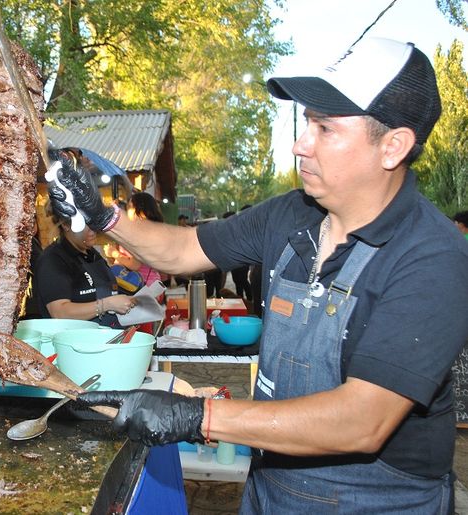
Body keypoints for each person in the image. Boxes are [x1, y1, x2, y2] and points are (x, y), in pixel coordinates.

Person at [49, 37, 468, 512]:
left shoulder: (433, 257)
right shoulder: (291, 214)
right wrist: (105, 218)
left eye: (325, 128)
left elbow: (361, 421)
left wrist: (197, 417)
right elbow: (184, 249)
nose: (299, 145)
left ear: (393, 146)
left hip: (376, 501)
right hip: (270, 487)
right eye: (307, 122)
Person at [34, 206, 135, 328]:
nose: (92, 229)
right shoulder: (53, 259)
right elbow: (60, 312)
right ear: (66, 225)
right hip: (75, 338)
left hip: (108, 333)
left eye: (93, 222)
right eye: (85, 223)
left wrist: (130, 301)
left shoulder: (92, 254)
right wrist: (105, 305)